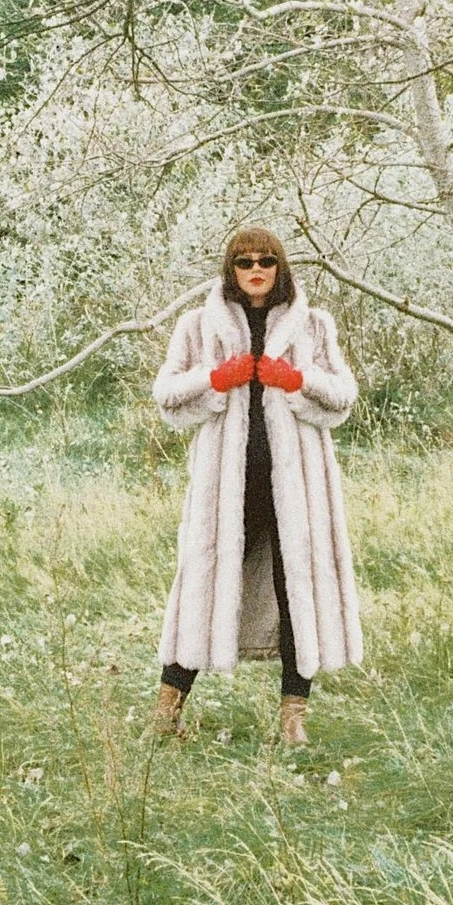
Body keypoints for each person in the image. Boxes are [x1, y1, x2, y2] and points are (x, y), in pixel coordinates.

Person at [150, 227, 363, 746]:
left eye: (266, 260)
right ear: (231, 269)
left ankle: (294, 720)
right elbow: (167, 396)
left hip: (298, 488)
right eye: (244, 262)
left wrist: (298, 381)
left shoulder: (314, 326)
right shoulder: (197, 325)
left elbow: (343, 396)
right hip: (226, 486)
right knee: (202, 586)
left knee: (299, 592)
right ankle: (166, 711)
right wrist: (215, 379)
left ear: (280, 267)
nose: (255, 269)